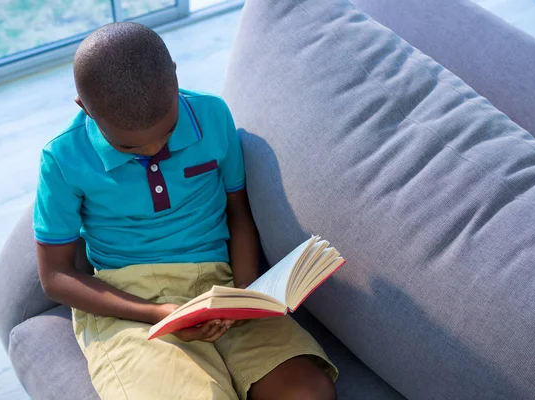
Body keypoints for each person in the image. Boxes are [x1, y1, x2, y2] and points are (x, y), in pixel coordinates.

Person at [34, 22, 337, 400]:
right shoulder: (62, 158)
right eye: (129, 147)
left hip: (221, 286)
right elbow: (55, 275)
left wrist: (245, 293)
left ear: (176, 77)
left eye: (167, 130)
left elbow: (238, 213)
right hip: (128, 301)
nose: (152, 150)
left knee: (308, 393)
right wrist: (158, 313)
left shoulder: (212, 116)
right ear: (85, 108)